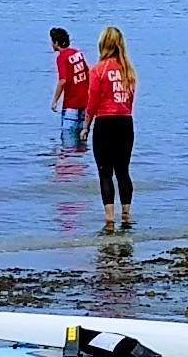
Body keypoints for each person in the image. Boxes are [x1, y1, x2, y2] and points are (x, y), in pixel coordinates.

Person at [87, 25, 141, 229]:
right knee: (123, 171)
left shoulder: (98, 70)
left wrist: (86, 126)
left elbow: (92, 101)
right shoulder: (128, 70)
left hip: (105, 123)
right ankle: (126, 214)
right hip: (125, 122)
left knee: (105, 172)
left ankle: (109, 218)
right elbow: (130, 101)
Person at [48, 25, 90, 150]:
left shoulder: (62, 57)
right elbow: (88, 73)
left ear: (56, 43)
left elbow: (62, 81)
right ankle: (80, 164)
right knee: (81, 139)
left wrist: (55, 101)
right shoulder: (77, 53)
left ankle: (69, 166)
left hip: (71, 103)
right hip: (84, 102)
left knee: (68, 141)